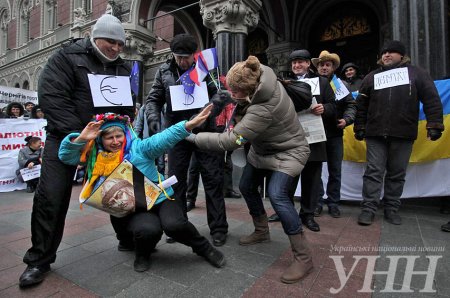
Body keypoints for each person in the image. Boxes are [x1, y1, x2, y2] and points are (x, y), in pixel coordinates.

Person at [19, 14, 136, 288]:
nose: (116, 49)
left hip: (107, 142)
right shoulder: (66, 57)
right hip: (66, 139)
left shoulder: (121, 67)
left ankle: (127, 239)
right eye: (111, 42)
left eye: (121, 44)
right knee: (52, 197)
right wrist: (82, 134)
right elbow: (51, 96)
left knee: (120, 187)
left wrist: (120, 129)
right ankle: (39, 260)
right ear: (96, 37)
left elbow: (126, 103)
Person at [191, 56, 314, 284]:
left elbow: (229, 141)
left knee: (278, 196)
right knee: (246, 185)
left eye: (235, 91)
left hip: (289, 152)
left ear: (247, 89)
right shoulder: (262, 79)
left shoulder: (263, 107)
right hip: (263, 150)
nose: (232, 94)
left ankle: (303, 256)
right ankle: (261, 230)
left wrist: (192, 136)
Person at [58, 108, 225, 273]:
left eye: (119, 136)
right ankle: (143, 254)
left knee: (175, 224)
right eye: (109, 137)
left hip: (160, 198)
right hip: (135, 207)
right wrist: (81, 139)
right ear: (101, 139)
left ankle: (204, 248)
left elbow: (163, 138)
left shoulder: (140, 148)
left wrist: (187, 126)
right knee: (148, 230)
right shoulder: (96, 157)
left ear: (126, 135)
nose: (115, 141)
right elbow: (66, 157)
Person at [145, 33, 228, 246]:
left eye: (186, 57)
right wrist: (153, 118)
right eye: (178, 57)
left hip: (205, 131)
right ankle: (178, 226)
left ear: (195, 54)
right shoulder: (164, 71)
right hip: (176, 133)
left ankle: (218, 228)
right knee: (176, 181)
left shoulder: (206, 68)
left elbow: (221, 95)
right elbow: (153, 99)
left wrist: (204, 113)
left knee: (212, 179)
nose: (182, 61)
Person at [354, 40, 444, 226]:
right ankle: (368, 209)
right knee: (373, 172)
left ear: (402, 56)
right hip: (376, 133)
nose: (386, 55)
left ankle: (391, 209)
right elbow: (361, 106)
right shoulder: (371, 77)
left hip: (403, 133)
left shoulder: (417, 74)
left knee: (397, 173)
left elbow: (432, 99)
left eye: (391, 52)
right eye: (384, 53)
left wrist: (434, 124)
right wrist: (360, 127)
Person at [267, 49, 336, 232]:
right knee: (287, 178)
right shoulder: (283, 84)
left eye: (300, 62)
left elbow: (334, 105)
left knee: (311, 180)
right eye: (294, 63)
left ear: (308, 64)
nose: (297, 66)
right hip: (290, 140)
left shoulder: (321, 82)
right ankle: (284, 211)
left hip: (314, 139)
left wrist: (325, 108)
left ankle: (307, 215)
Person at [311, 50, 356, 218]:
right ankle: (317, 202)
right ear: (317, 67)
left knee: (335, 170)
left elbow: (351, 105)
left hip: (335, 133)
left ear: (333, 67)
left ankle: (333, 203)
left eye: (327, 65)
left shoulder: (340, 85)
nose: (324, 67)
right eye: (321, 65)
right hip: (316, 133)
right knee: (316, 170)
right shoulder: (312, 83)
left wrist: (347, 119)